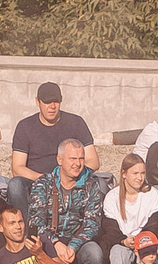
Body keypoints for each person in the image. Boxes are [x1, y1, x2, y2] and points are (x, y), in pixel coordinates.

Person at [6, 83, 93, 211]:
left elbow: (93, 161)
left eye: (56, 102)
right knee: (15, 185)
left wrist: (70, 177)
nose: (52, 106)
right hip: (36, 182)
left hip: (72, 179)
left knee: (100, 184)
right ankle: (25, 229)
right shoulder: (25, 126)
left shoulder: (76, 123)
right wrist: (48, 179)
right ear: (37, 102)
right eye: (47, 102)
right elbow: (17, 168)